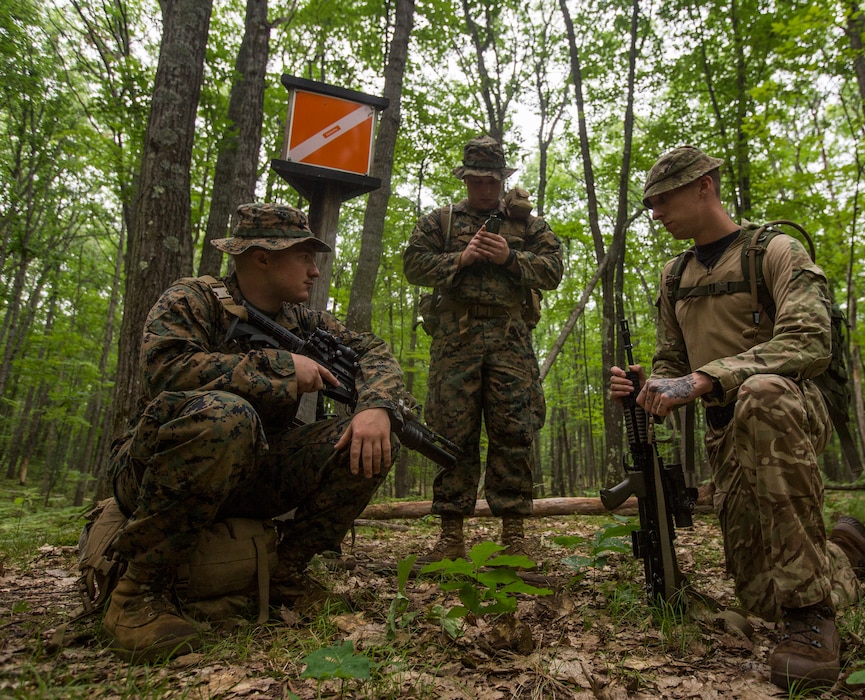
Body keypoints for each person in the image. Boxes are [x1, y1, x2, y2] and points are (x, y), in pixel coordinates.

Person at [609, 147, 865, 690]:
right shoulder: (674, 275)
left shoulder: (775, 250)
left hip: (790, 412)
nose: (654, 211)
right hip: (726, 430)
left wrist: (707, 377)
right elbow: (672, 362)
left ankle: (812, 616)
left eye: (663, 198)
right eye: (649, 203)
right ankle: (841, 553)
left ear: (704, 186)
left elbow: (809, 341)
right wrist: (647, 384)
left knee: (763, 393)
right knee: (759, 598)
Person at [104, 203, 407, 662]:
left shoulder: (304, 322)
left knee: (368, 438)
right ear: (262, 256)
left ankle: (284, 577)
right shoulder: (193, 299)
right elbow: (166, 371)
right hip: (158, 467)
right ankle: (136, 594)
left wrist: (377, 407)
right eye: (304, 257)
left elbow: (372, 351)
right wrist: (281, 368)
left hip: (252, 468)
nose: (313, 272)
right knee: (229, 417)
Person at [403, 135, 563, 560]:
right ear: (466, 178)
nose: (484, 188)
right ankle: (451, 539)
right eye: (476, 180)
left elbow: (553, 271)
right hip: (455, 340)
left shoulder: (528, 226)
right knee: (451, 434)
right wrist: (462, 259)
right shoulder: (440, 221)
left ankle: (513, 538)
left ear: (502, 179)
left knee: (514, 431)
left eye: (492, 180)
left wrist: (511, 258)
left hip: (511, 341)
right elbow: (413, 265)